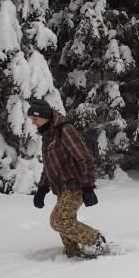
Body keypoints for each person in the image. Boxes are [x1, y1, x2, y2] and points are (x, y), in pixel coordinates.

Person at [28, 99, 110, 258]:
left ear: (44, 116)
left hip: (75, 185)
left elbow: (85, 158)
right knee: (65, 221)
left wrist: (88, 186)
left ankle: (96, 241)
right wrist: (42, 189)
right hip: (63, 188)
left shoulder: (65, 130)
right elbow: (49, 165)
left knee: (58, 220)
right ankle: (74, 253)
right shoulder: (48, 135)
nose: (33, 122)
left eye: (35, 119)